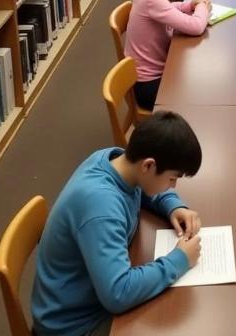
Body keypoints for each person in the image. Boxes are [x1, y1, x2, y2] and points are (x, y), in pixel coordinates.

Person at [31, 111, 203, 336]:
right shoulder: (102, 208)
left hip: (90, 297)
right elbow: (118, 294)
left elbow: (140, 188)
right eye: (172, 178)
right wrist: (178, 260)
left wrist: (173, 205)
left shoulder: (116, 161)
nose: (173, 186)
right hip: (74, 325)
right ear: (149, 165)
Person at [124, 0, 211, 110]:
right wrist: (202, 8)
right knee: (199, 87)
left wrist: (189, 5)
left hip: (145, 78)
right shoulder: (152, 0)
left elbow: (168, 8)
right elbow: (196, 27)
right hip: (150, 86)